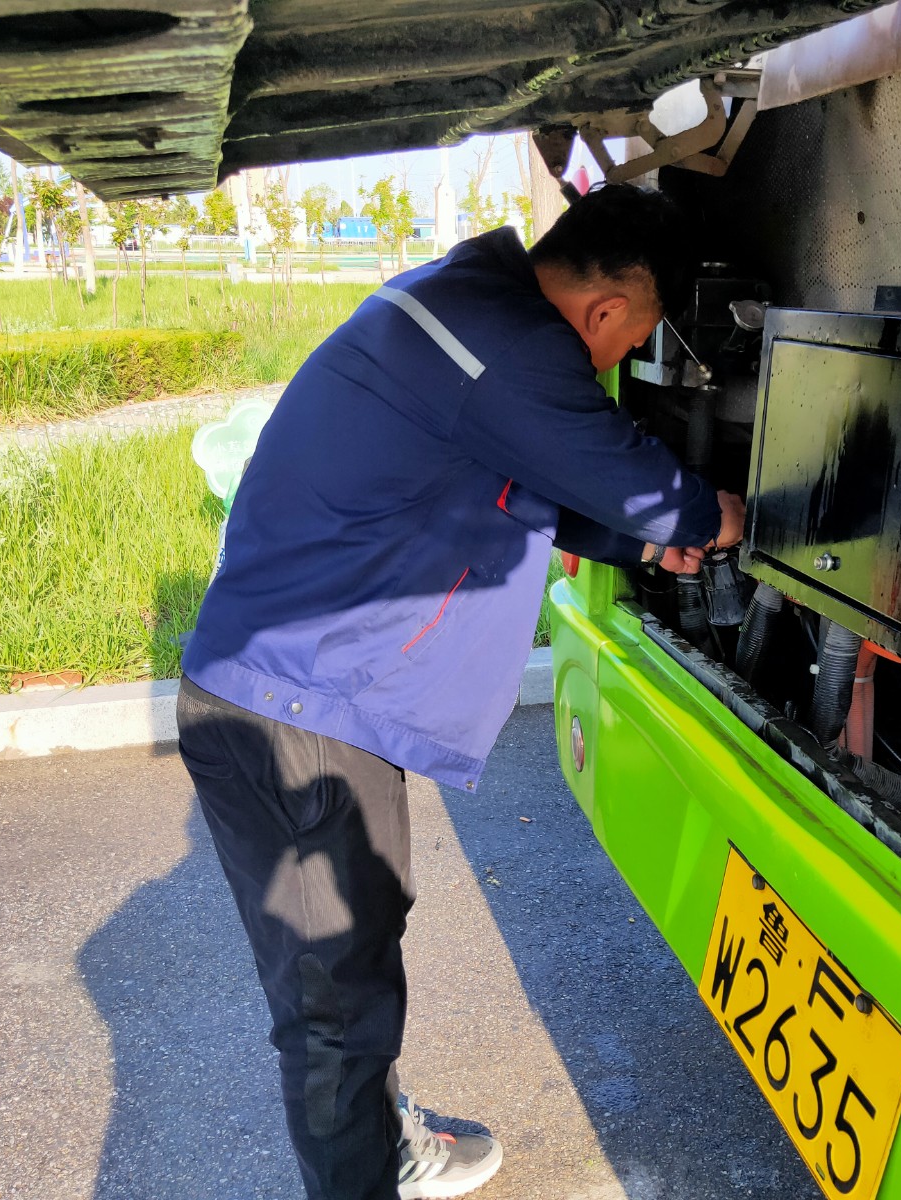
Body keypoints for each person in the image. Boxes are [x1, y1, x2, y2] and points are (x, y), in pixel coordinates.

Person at [175, 183, 745, 1200]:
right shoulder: (513, 347)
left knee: (352, 968)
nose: (620, 362)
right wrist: (707, 518)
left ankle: (374, 1136)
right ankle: (359, 1169)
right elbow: (640, 485)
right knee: (335, 1010)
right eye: (636, 340)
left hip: (304, 695)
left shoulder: (464, 313)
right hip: (293, 710)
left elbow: (519, 488)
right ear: (610, 310)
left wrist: (641, 550)